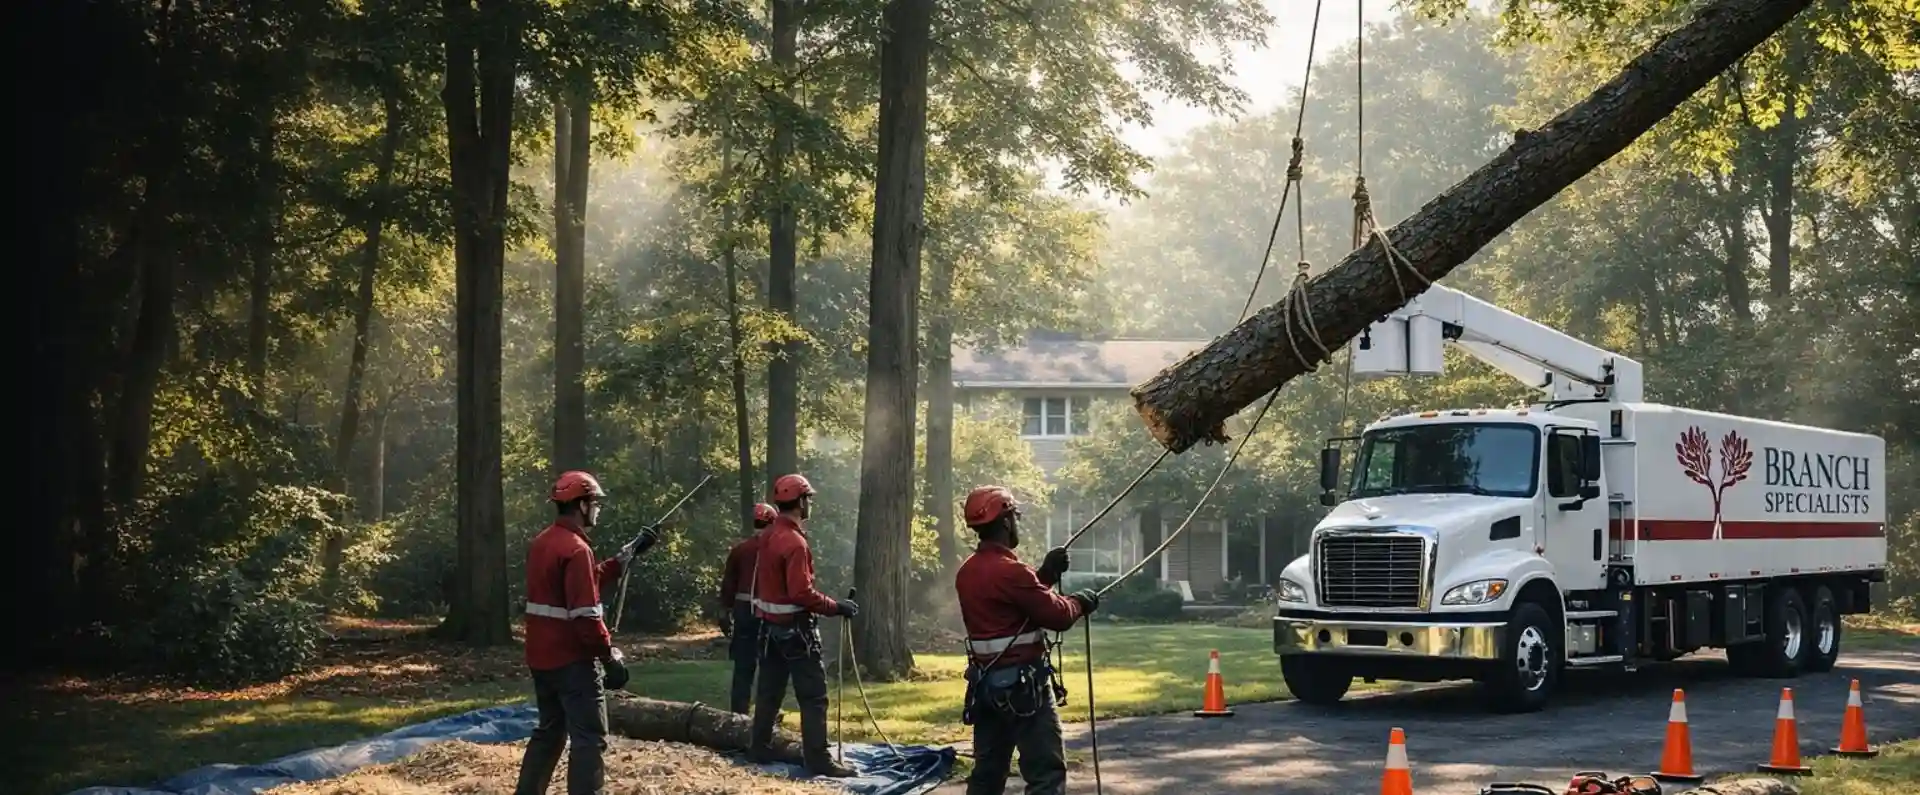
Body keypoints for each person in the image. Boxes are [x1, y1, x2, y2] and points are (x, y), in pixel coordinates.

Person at [514, 470, 662, 795]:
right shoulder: (577, 549)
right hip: (573, 663)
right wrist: (609, 658)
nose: (597, 509)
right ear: (581, 505)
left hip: (541, 659)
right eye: (595, 502)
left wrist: (624, 558)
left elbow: (583, 581)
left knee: (549, 733)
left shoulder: (543, 543)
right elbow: (586, 617)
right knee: (589, 740)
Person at [953, 485, 1099, 795]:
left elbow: (1014, 603)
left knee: (988, 774)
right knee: (1045, 774)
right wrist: (1080, 602)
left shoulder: (968, 572)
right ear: (1006, 522)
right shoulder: (1012, 572)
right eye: (1015, 517)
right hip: (1023, 689)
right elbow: (1057, 615)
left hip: (986, 688)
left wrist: (1045, 574)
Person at [748, 473, 858, 778]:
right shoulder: (795, 543)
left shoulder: (768, 536)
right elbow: (801, 593)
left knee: (769, 692)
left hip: (769, 630)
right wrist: (837, 607)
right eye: (808, 498)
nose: (810, 503)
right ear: (799, 502)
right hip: (796, 632)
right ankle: (819, 760)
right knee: (813, 697)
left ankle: (759, 747)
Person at [717, 501, 777, 714]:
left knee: (743, 667)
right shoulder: (779, 549)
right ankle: (765, 716)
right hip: (770, 614)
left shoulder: (740, 550)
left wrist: (724, 612)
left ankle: (738, 714)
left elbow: (728, 585)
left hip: (744, 613)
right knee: (770, 667)